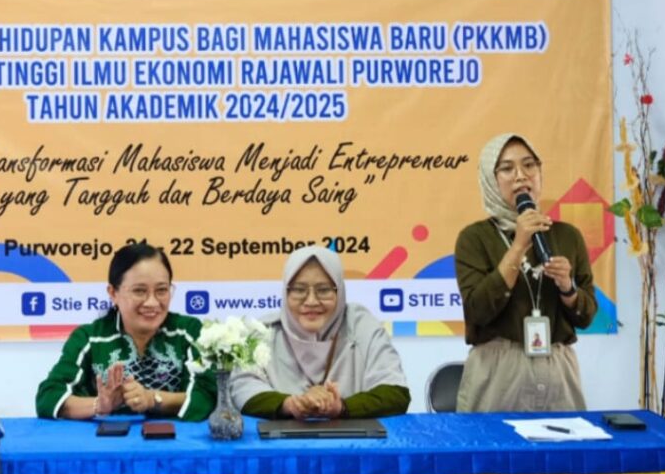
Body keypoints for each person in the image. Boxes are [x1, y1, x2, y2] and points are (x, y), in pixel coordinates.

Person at [454, 133, 597, 412]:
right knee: (492, 442)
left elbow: (587, 316)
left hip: (558, 370)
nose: (521, 176)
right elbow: (478, 310)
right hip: (498, 371)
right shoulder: (474, 238)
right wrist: (518, 245)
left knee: (565, 442)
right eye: (507, 168)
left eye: (529, 165)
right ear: (491, 179)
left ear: (540, 173)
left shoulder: (567, 236)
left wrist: (567, 287)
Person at [35, 242, 216, 421]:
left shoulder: (189, 331)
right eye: (139, 291)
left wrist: (152, 399)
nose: (152, 302)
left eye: (162, 290)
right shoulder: (89, 338)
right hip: (104, 439)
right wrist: (98, 405)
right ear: (113, 293)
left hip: (178, 438)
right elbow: (48, 397)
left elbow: (208, 395)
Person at [230, 246, 410, 419]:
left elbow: (396, 392)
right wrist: (289, 404)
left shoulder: (362, 326)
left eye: (323, 290)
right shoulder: (263, 332)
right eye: (299, 290)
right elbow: (241, 387)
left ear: (339, 291)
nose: (311, 301)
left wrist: (341, 407)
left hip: (354, 439)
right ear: (286, 292)